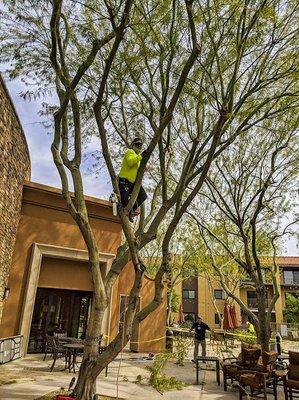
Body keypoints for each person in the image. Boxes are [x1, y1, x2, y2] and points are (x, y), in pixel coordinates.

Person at [119, 137, 147, 222]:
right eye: (137, 144)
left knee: (143, 195)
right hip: (125, 181)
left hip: (133, 183)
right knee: (124, 202)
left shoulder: (137, 159)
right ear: (132, 145)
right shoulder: (129, 152)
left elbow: (136, 169)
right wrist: (141, 155)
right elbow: (131, 162)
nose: (139, 146)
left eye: (140, 145)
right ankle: (125, 210)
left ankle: (131, 210)